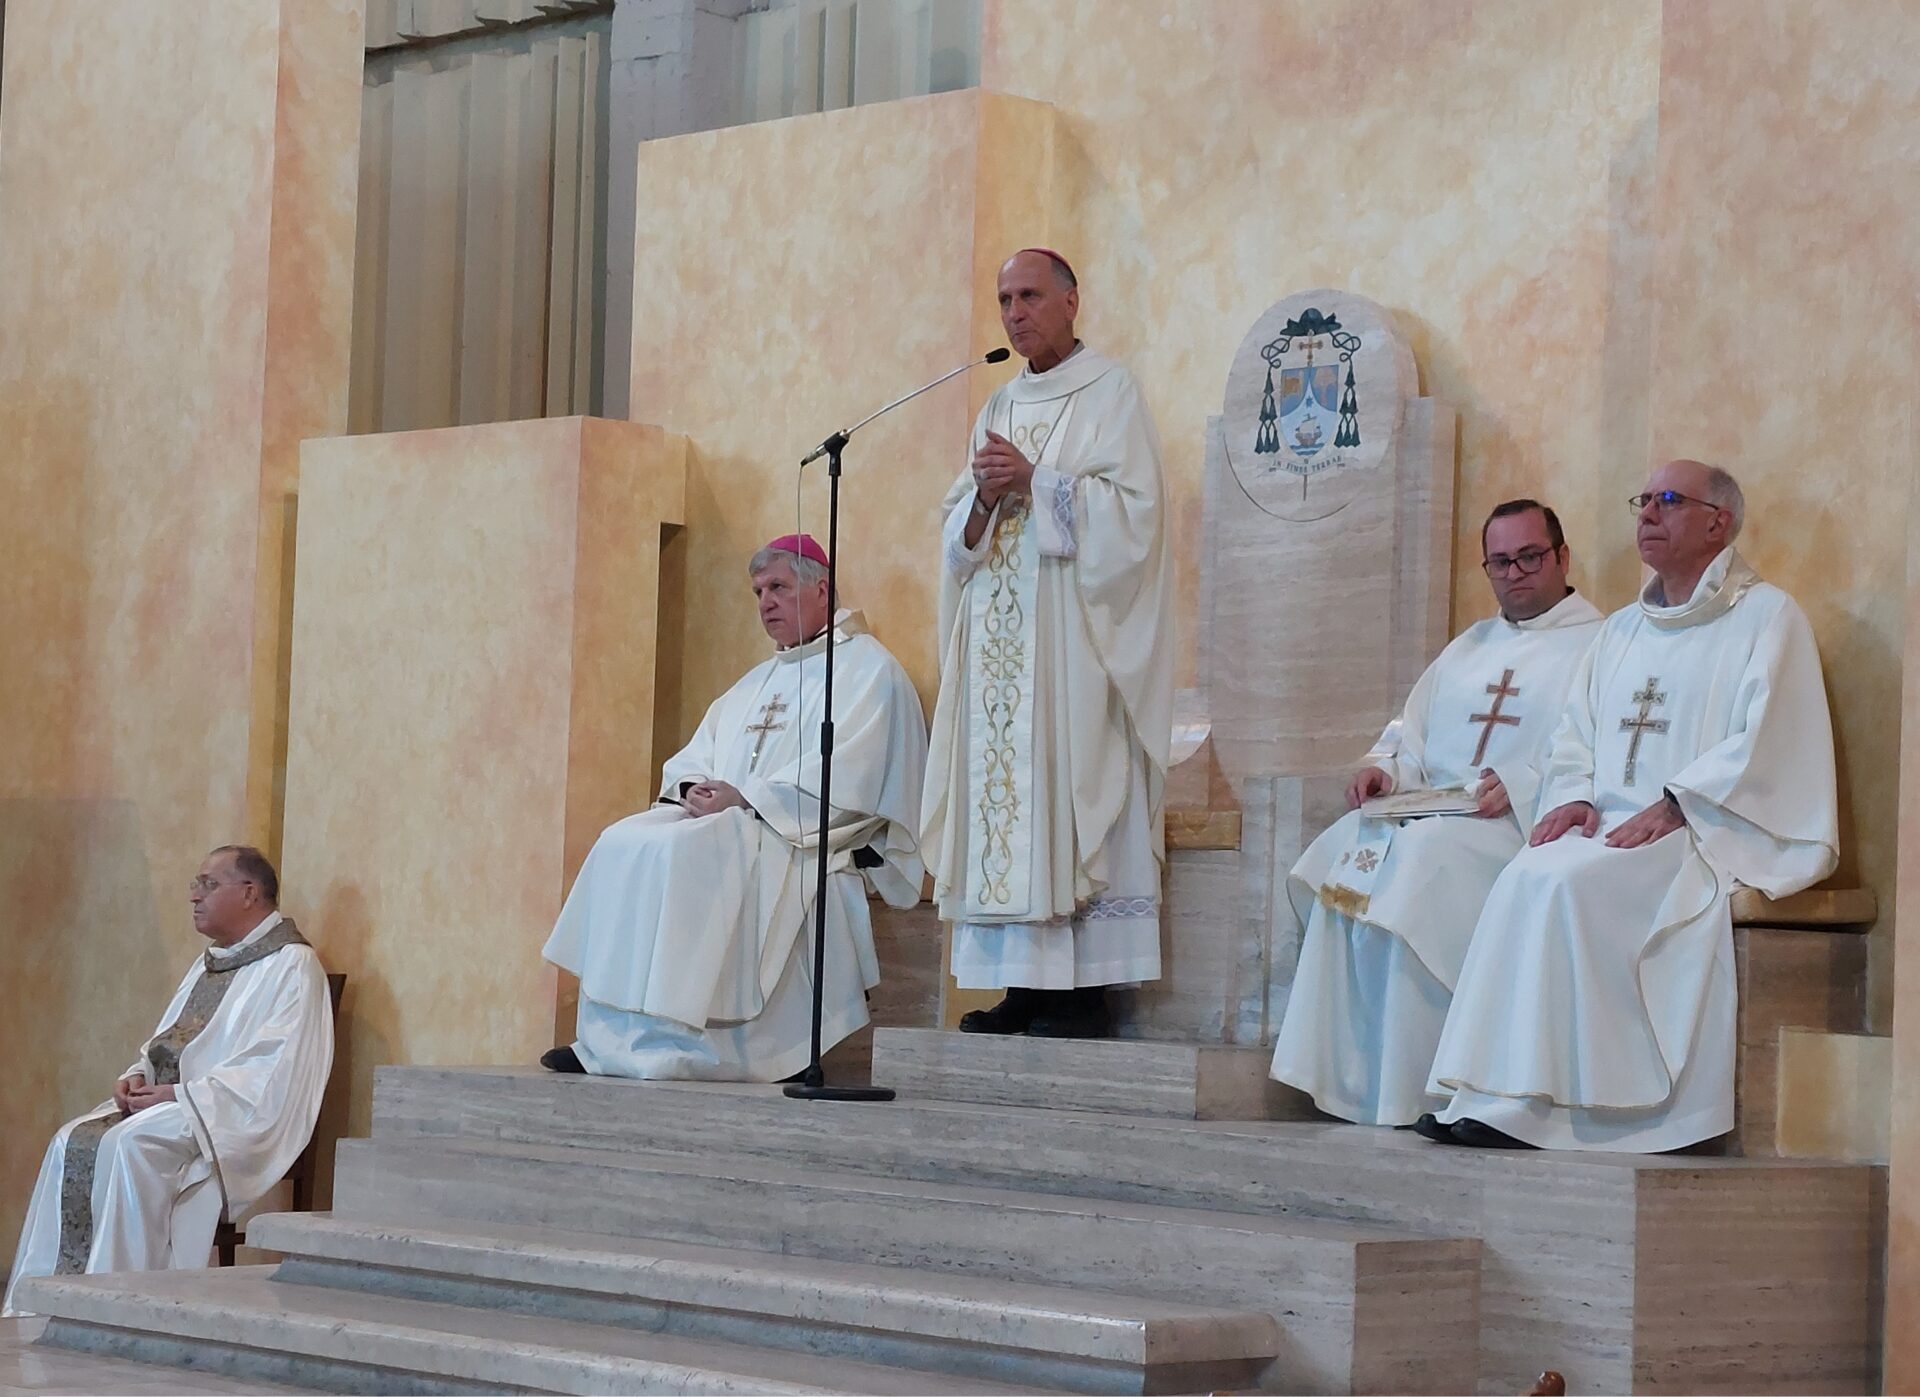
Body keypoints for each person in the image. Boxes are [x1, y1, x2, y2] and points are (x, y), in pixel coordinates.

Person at [1422, 460, 1837, 1151]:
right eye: (1641, 499)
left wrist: (1682, 804)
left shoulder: (1768, 617)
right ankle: (1494, 1092)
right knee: (1529, 871)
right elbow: (1574, 734)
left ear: (1718, 521)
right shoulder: (1621, 631)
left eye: (1667, 500)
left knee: (1563, 882)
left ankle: (1558, 1108)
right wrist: (1576, 795)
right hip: (1612, 827)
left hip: (1701, 831)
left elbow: (1772, 742)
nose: (1646, 513)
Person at [541, 535, 927, 1081]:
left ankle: (682, 1040)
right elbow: (697, 756)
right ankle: (606, 1038)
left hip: (796, 832)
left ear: (820, 590)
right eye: (758, 591)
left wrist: (748, 799)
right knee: (625, 840)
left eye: (778, 588)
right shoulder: (757, 681)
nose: (765, 602)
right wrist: (693, 788)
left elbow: (856, 777)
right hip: (735, 822)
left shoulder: (868, 672)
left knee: (685, 851)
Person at [1269, 500, 1603, 1125]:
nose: (1515, 572)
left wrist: (1525, 781)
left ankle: (1415, 1086)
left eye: (1530, 556)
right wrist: (1385, 769)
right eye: (1500, 561)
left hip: (1515, 830)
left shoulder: (1601, 644)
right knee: (1350, 844)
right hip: (1438, 815)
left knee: (1419, 863)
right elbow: (1409, 736)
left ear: (1561, 557)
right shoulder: (1467, 647)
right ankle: (1347, 1075)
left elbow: (1605, 751)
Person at [921, 247, 1175, 1039]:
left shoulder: (1111, 391)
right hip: (999, 640)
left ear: (1071, 300)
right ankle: (1018, 988)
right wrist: (986, 501)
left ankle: (1081, 992)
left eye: (1029, 295)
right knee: (1004, 808)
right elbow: (957, 541)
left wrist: (1039, 483)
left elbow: (1136, 515)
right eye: (1003, 299)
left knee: (1067, 792)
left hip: (1071, 639)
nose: (1014, 312)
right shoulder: (995, 402)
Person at [5, 847, 332, 1315]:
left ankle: (122, 1304)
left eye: (208, 884)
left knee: (130, 1146)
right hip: (179, 1103)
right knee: (68, 1140)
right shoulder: (211, 962)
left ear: (250, 893)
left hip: (227, 1115)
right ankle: (43, 1304)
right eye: (195, 886)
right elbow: (168, 1041)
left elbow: (275, 1071)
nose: (195, 897)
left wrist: (179, 1094)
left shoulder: (292, 967)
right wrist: (136, 1075)